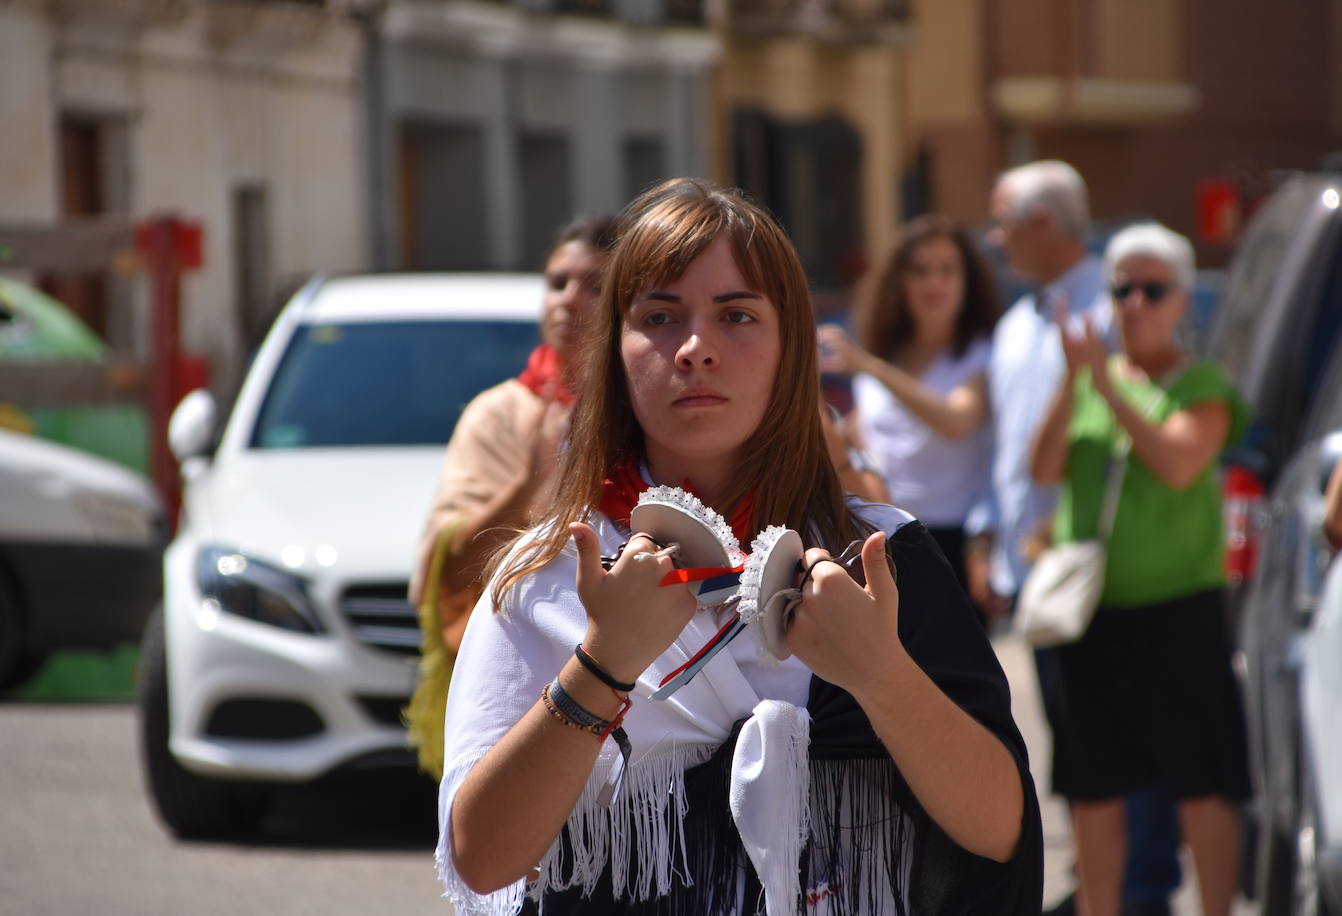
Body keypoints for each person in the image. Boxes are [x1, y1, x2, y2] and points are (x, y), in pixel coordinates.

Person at [436, 178, 1043, 914]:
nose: (695, 349)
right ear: (614, 352)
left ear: (790, 347)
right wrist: (605, 663)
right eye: (659, 316)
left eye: (737, 316)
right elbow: (481, 861)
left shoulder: (877, 557)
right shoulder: (550, 571)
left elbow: (1001, 831)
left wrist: (880, 675)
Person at [975, 161, 1182, 915]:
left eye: (1001, 221)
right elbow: (1010, 452)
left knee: (1131, 742)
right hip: (1043, 569)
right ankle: (1102, 890)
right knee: (1080, 747)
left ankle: (1143, 891)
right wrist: (988, 539)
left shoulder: (1120, 307)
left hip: (1114, 565)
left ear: (1041, 222)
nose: (993, 239)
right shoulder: (1018, 320)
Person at [1030, 222, 1251, 916]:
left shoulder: (1202, 383)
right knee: (1092, 788)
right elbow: (1040, 468)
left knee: (1204, 782)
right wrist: (1076, 382)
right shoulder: (1091, 379)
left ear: (1182, 300)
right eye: (1122, 289)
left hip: (1181, 610)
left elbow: (1181, 462)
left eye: (1153, 290)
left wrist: (1110, 387)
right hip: (1094, 617)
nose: (1135, 304)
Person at [403, 214, 616, 781]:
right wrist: (528, 481)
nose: (569, 300)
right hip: (518, 680)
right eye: (558, 282)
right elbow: (446, 571)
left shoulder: (651, 412)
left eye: (596, 285)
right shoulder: (498, 414)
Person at [817, 215, 1001, 601]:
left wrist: (868, 366)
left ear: (967, 281)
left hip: (953, 541)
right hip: (882, 534)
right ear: (899, 281)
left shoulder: (980, 355)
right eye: (919, 270)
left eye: (947, 270)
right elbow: (862, 440)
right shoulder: (886, 355)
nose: (934, 283)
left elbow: (957, 421)